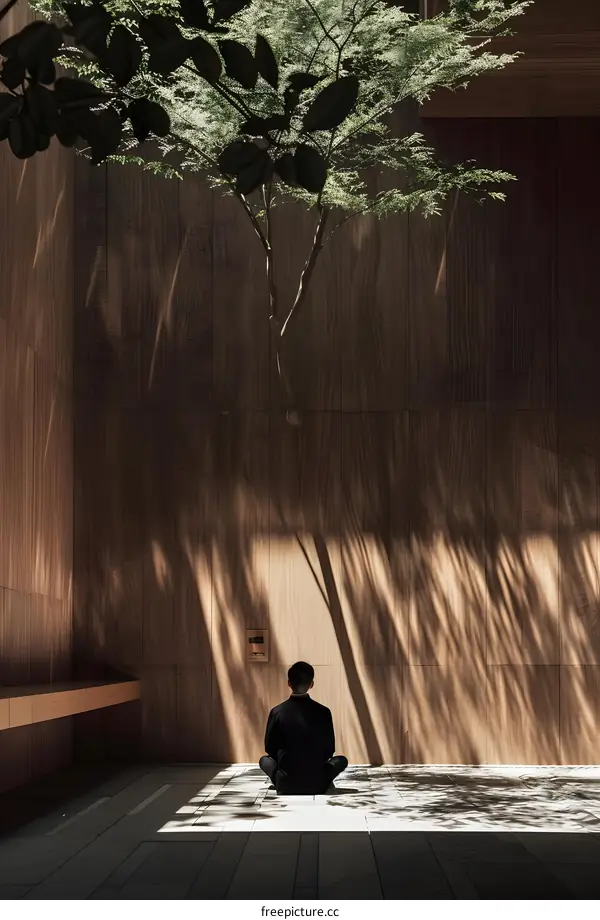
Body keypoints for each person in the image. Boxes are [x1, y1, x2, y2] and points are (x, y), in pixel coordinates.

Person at [259, 661, 348, 795]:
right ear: (311, 684)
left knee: (264, 760)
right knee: (341, 760)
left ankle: (284, 780)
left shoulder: (277, 712)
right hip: (318, 783)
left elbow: (270, 748)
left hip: (286, 783)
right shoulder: (323, 712)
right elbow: (329, 750)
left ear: (289, 683)